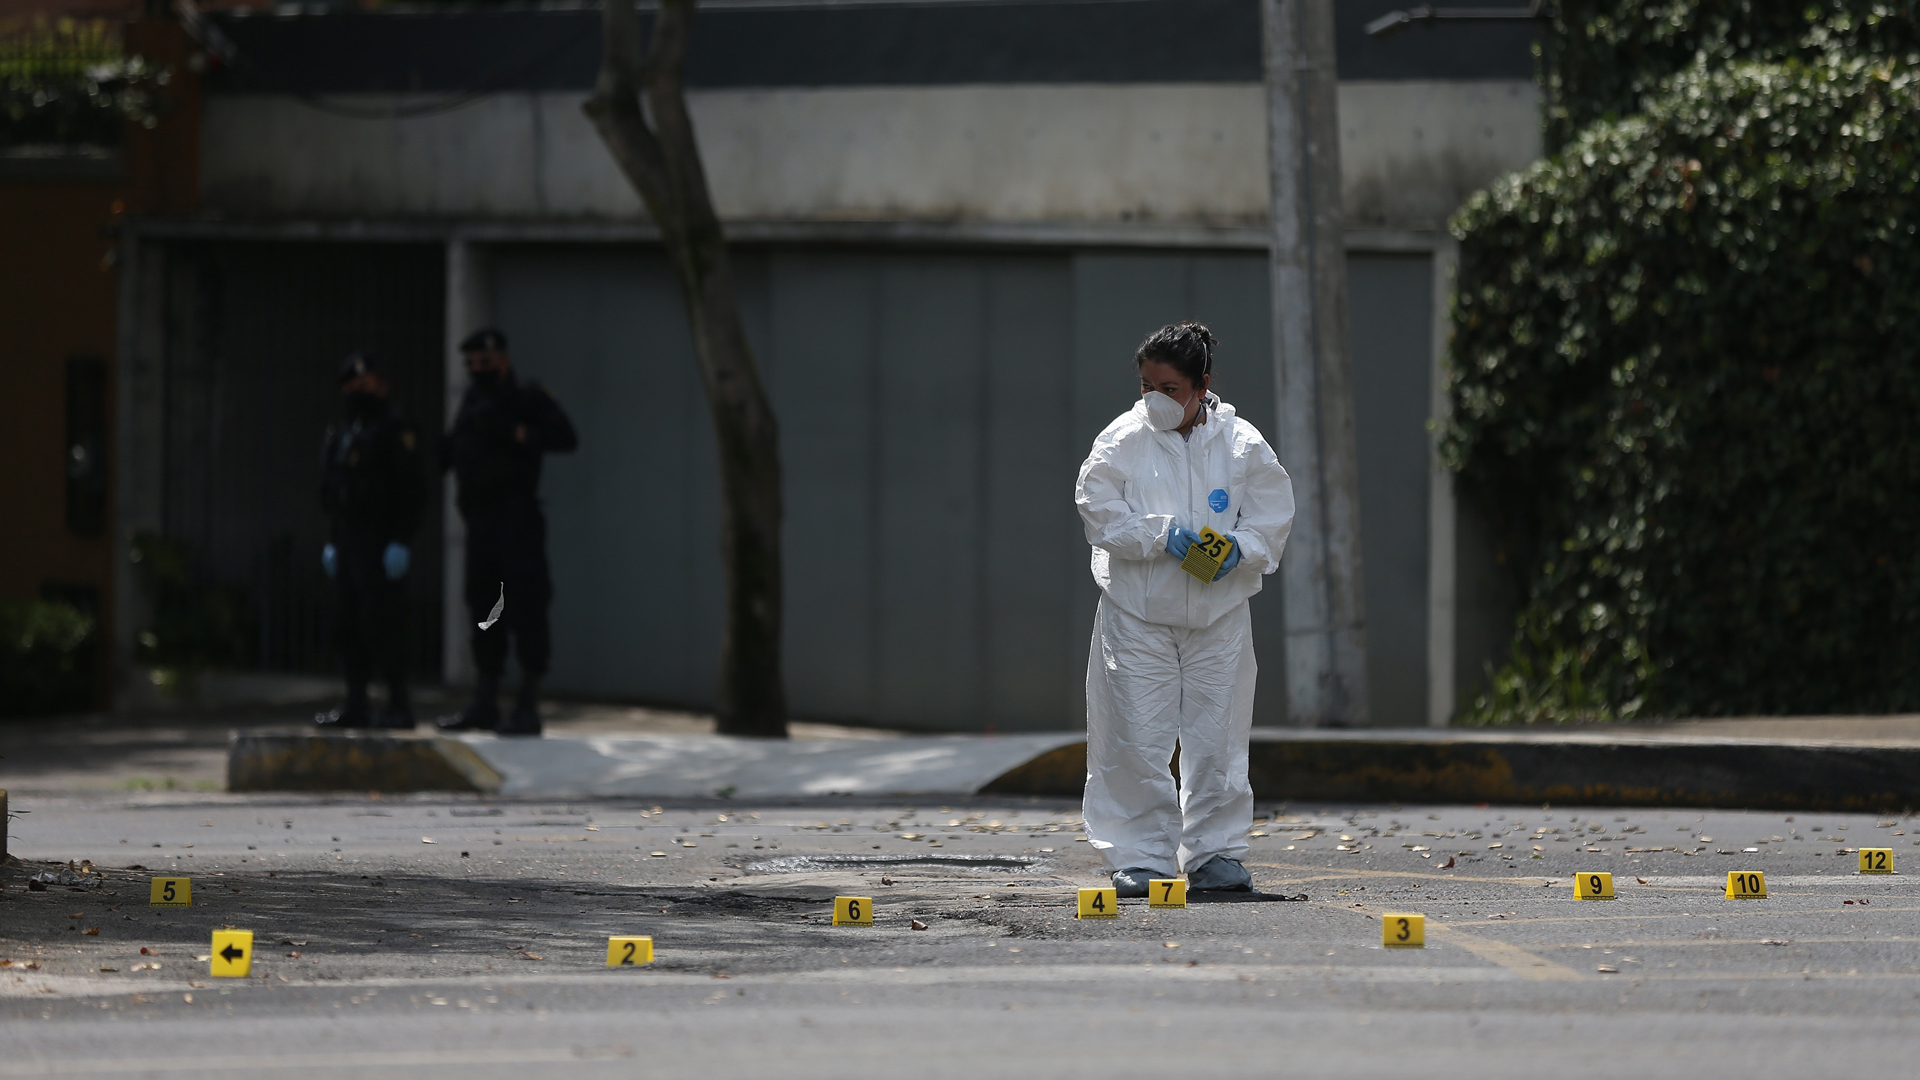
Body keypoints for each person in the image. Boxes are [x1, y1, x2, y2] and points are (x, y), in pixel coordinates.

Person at [1073, 321, 1296, 897]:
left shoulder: (1242, 443)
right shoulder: (1122, 439)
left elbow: (1272, 520)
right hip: (1137, 616)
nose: (1156, 400)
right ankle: (1139, 856)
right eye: (1147, 385)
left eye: (1169, 388)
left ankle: (1216, 854)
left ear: (1202, 385)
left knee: (1217, 740)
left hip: (1218, 618)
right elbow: (1097, 511)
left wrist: (1238, 553)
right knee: (1134, 738)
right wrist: (1160, 535)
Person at [437, 328, 577, 737]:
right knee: (483, 608)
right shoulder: (472, 402)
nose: (478, 370)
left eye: (485, 362)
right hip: (480, 523)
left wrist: (520, 434)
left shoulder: (528, 398)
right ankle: (485, 700)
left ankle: (528, 703)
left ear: (503, 360)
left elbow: (566, 438)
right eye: (472, 364)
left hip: (516, 520)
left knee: (526, 606)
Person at [316, 351, 424, 729]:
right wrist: (332, 540)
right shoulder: (343, 432)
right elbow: (332, 491)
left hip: (380, 540)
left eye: (366, 385)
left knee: (384, 624)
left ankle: (398, 703)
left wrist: (400, 540)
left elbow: (410, 489)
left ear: (381, 385)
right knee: (348, 625)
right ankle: (355, 702)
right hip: (348, 538)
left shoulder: (395, 427)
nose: (359, 392)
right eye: (352, 386)